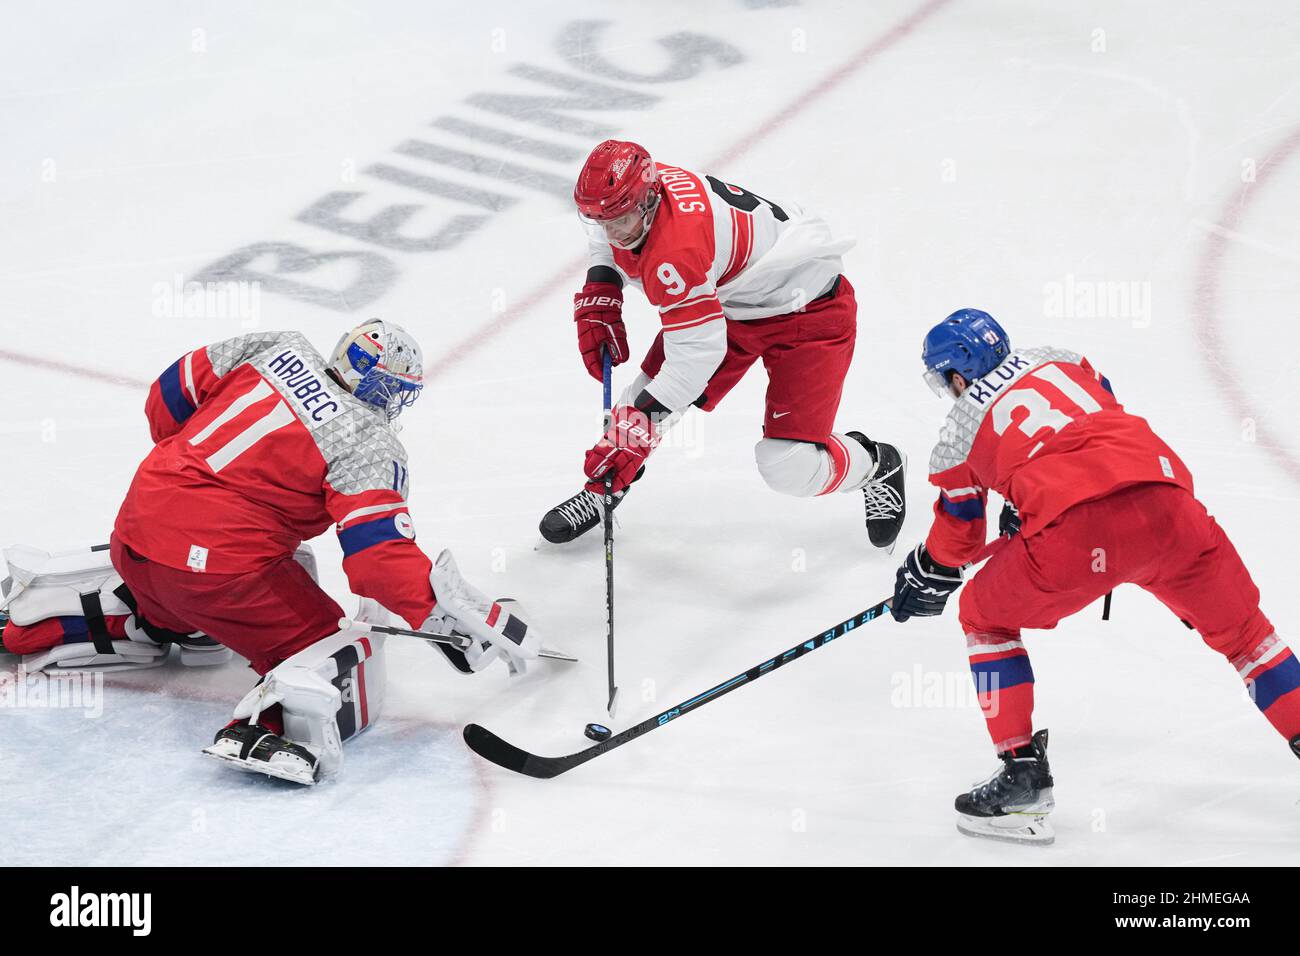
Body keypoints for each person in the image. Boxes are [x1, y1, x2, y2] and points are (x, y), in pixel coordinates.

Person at [891, 308, 1300, 845]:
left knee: (983, 617)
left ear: (957, 375)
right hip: (1168, 501)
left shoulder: (957, 432)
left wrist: (926, 570)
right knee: (1248, 638)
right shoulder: (1060, 359)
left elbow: (959, 540)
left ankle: (1021, 782)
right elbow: (1097, 417)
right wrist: (1027, 492)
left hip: (1077, 538)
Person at [104, 320, 542, 784]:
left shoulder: (276, 344)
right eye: (395, 388)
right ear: (376, 383)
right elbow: (377, 561)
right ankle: (265, 728)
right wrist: (444, 616)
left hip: (133, 531)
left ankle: (118, 620)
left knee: (276, 567)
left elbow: (166, 399)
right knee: (333, 644)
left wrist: (189, 485)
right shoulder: (367, 441)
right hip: (211, 577)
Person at [538, 139, 907, 551]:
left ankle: (876, 464)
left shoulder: (676, 254)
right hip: (734, 299)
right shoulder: (642, 190)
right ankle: (609, 483)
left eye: (619, 220)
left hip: (810, 315)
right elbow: (610, 229)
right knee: (642, 401)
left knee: (788, 466)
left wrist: (636, 430)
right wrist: (602, 284)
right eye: (597, 220)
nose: (610, 232)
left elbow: (694, 363)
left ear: (647, 201)